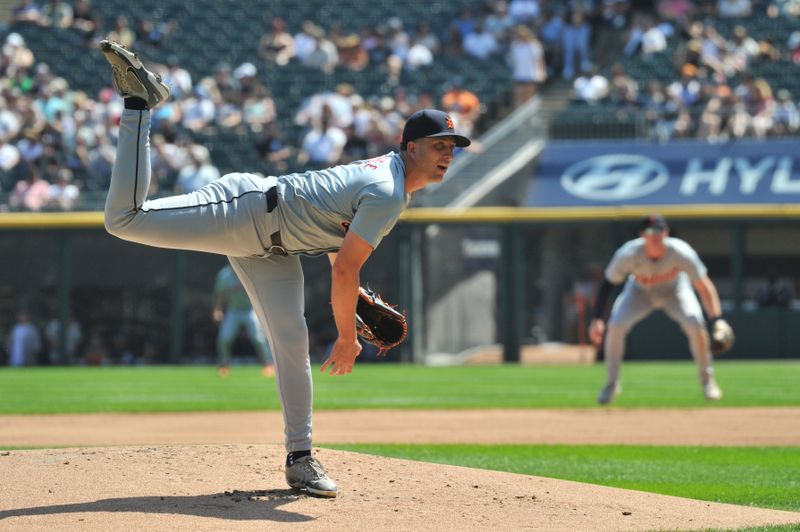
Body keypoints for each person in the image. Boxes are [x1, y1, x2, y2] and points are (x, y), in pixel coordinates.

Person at [99, 40, 470, 498]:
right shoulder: (388, 189)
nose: (447, 153)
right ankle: (140, 102)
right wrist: (348, 336)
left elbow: (340, 254)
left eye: (452, 145)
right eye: (438, 145)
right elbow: (342, 272)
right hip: (247, 211)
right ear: (411, 148)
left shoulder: (393, 184)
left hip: (275, 249)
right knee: (123, 219)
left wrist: (354, 304)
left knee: (292, 340)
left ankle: (301, 459)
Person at [589, 215, 726, 404]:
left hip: (675, 291)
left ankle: (707, 382)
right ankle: (611, 384)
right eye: (651, 231)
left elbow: (704, 286)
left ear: (666, 233)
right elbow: (607, 284)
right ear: (642, 235)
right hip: (639, 292)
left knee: (695, 324)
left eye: (660, 231)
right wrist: (597, 318)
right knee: (616, 324)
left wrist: (717, 319)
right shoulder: (628, 253)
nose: (656, 235)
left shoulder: (681, 251)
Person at [213, 264, 275, 377]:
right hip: (234, 310)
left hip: (250, 309)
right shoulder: (224, 275)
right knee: (224, 338)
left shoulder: (249, 271)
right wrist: (218, 310)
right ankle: (224, 365)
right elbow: (220, 294)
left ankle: (268, 364)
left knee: (258, 338)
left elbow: (261, 292)